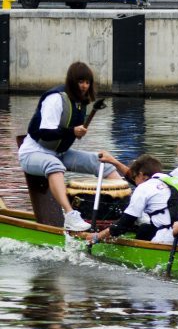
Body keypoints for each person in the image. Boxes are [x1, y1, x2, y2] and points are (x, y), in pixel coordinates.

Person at [17, 62, 121, 231]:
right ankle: (70, 215)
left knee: (103, 163)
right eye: (81, 82)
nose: (84, 86)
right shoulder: (56, 98)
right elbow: (45, 132)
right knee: (54, 165)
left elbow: (67, 134)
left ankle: (128, 211)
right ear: (72, 81)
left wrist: (74, 132)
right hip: (32, 153)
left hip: (60, 153)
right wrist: (72, 131)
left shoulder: (81, 101)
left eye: (87, 82)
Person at [81, 154, 178, 246]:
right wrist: (114, 162)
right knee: (145, 228)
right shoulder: (175, 181)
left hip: (171, 238)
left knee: (136, 228)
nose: (135, 183)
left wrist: (97, 236)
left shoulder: (144, 187)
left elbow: (125, 222)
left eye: (134, 177)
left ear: (142, 175)